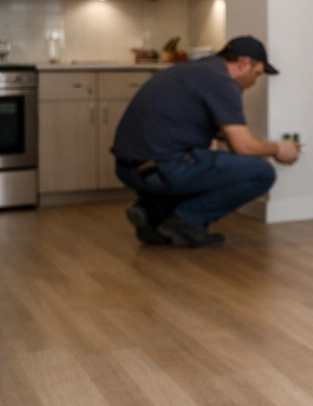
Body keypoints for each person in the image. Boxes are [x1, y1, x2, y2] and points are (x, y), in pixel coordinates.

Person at [112, 36, 300, 248]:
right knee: (261, 173)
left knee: (207, 165)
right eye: (256, 74)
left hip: (129, 169)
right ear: (244, 64)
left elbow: (217, 134)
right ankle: (186, 221)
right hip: (163, 170)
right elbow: (243, 147)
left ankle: (151, 211)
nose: (254, 82)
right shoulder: (223, 82)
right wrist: (278, 149)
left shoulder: (193, 71)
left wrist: (253, 142)